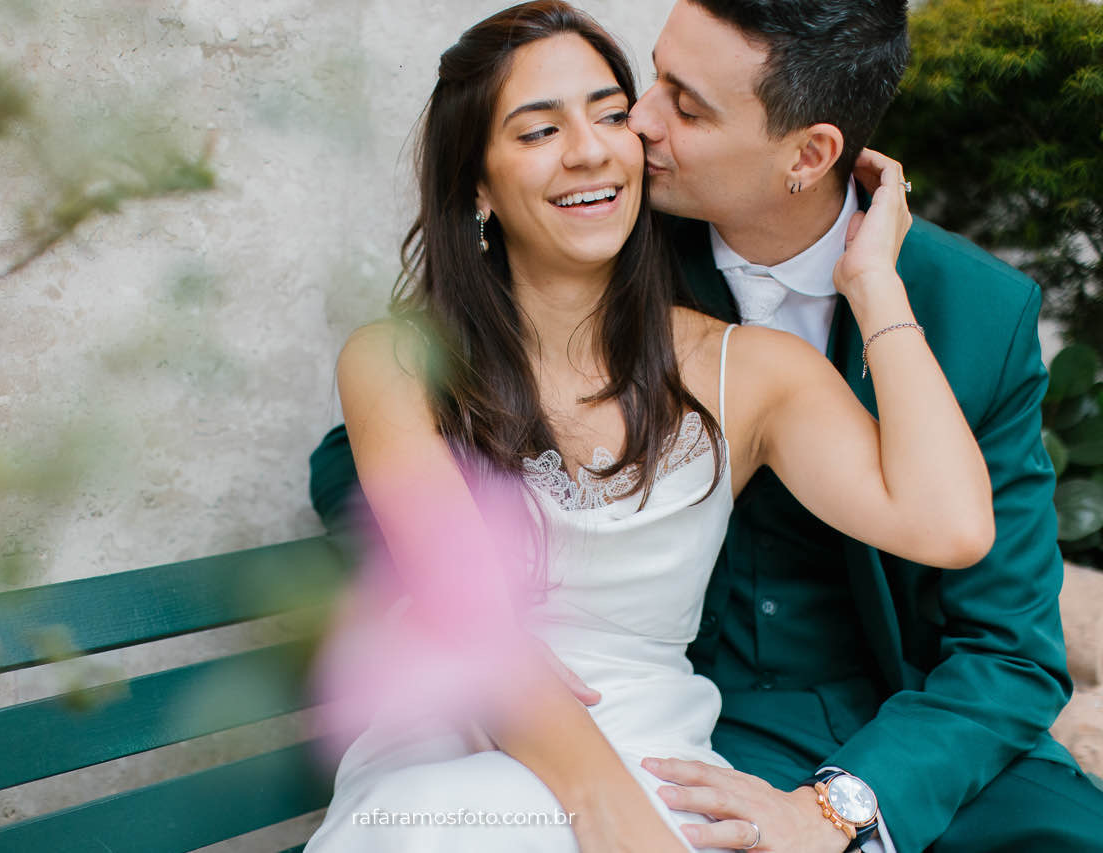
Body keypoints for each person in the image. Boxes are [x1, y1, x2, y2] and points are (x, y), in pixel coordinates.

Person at [310, 1, 1103, 851]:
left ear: (810, 154)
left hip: (890, 710)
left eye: (673, 107)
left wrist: (875, 287)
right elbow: (359, 463)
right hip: (671, 719)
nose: (633, 131)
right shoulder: (601, 224)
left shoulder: (956, 312)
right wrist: (469, 601)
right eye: (644, 87)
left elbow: (995, 613)